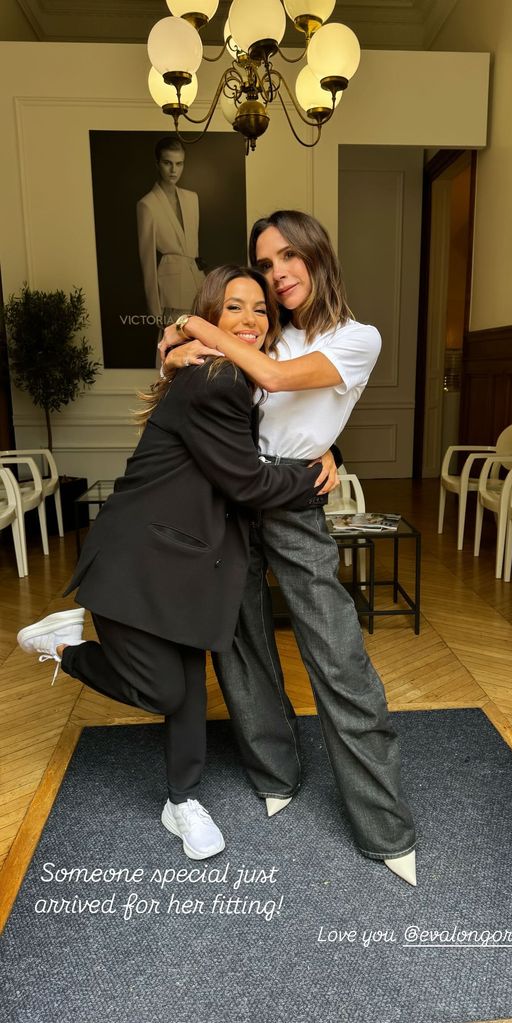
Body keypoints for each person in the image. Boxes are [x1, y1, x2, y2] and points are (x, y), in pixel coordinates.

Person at [17, 265, 326, 862]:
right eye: (233, 308)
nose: (251, 320)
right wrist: (317, 478)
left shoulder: (227, 377)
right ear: (209, 318)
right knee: (162, 689)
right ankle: (62, 649)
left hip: (186, 563)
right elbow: (246, 480)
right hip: (138, 559)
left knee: (186, 690)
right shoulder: (215, 379)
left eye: (260, 309)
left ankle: (181, 800)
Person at [160, 210, 418, 886]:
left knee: (338, 655)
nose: (276, 274)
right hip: (231, 496)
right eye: (264, 263)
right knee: (241, 645)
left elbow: (279, 386)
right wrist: (175, 339)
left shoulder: (358, 337)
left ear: (315, 253)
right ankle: (275, 772)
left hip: (296, 499)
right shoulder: (265, 332)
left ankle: (383, 826)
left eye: (285, 257)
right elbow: (207, 378)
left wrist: (195, 327)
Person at [136, 137, 205, 331]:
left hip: (198, 283)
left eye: (179, 164)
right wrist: (154, 308)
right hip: (171, 290)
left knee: (201, 345)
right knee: (174, 346)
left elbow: (195, 248)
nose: (174, 170)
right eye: (167, 163)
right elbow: (147, 259)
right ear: (157, 164)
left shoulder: (192, 198)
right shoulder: (147, 205)